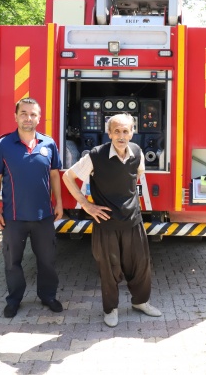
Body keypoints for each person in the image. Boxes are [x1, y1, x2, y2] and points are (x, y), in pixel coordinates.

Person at [62, 113, 161, 327]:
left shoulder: (137, 152)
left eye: (125, 131)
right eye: (116, 131)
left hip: (133, 220)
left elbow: (137, 175)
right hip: (106, 223)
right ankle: (111, 309)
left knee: (141, 265)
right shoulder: (96, 155)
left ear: (132, 133)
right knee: (109, 269)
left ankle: (140, 302)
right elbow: (67, 176)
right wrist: (86, 205)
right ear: (109, 134)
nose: (121, 136)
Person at [0, 98, 64, 318]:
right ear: (16, 116)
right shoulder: (3, 145)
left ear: (39, 118)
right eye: (23, 113)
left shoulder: (48, 144)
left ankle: (48, 296)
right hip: (13, 216)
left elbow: (54, 175)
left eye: (33, 114)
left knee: (47, 261)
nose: (28, 118)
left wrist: (59, 202)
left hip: (44, 216)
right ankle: (14, 300)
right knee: (12, 262)